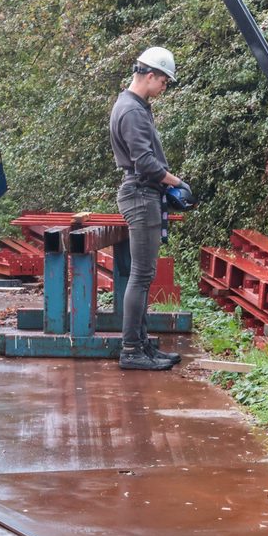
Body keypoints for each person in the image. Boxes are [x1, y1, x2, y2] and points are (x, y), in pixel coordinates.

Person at [109, 46, 191, 371]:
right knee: (141, 276)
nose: (164, 88)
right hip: (141, 196)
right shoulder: (131, 110)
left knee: (144, 275)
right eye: (164, 82)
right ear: (150, 75)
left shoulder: (135, 106)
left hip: (144, 195)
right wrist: (176, 182)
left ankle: (143, 345)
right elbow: (144, 163)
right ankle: (131, 350)